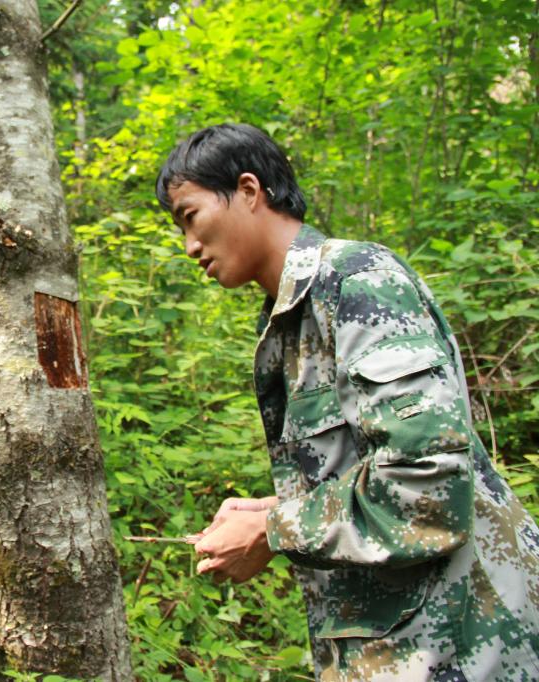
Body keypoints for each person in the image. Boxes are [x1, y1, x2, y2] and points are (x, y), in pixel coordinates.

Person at [155, 123, 539, 680]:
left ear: (248, 190)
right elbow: (372, 467)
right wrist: (272, 508)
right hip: (393, 645)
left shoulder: (358, 282)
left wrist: (273, 531)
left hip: (468, 647)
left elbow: (428, 484)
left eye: (190, 216)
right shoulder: (290, 321)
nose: (189, 246)